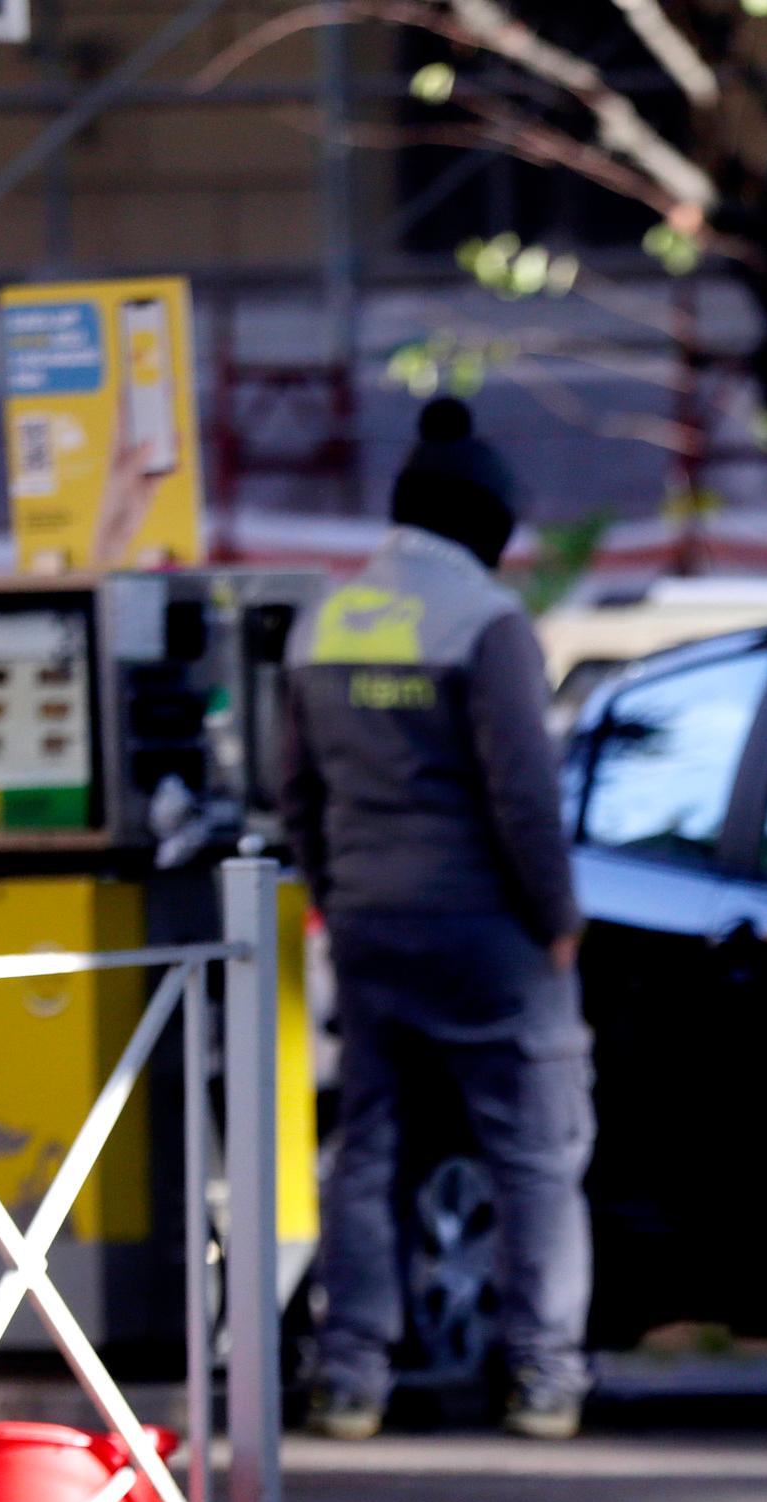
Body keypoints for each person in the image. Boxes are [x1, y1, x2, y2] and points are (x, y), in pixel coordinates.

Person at [279, 398, 592, 1441]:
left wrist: (336, 894)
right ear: (488, 523)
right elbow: (524, 796)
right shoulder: (486, 623)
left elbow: (296, 792)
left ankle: (350, 1375)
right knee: (535, 1150)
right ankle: (541, 1374)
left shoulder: (326, 619)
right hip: (488, 930)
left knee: (371, 1147)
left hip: (369, 924)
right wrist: (556, 916)